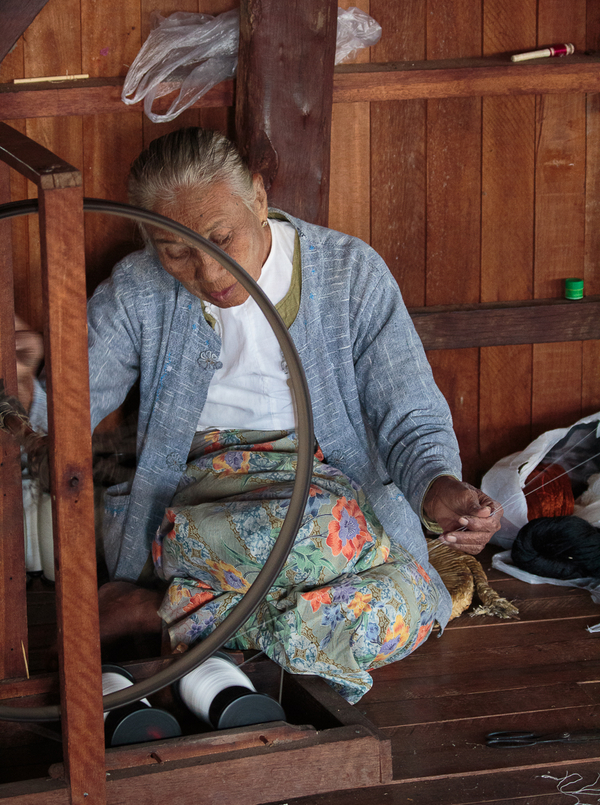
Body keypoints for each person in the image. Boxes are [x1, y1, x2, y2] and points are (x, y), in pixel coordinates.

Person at [21, 127, 501, 702]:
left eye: (223, 238)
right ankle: (247, 607)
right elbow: (65, 411)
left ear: (258, 197)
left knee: (415, 600)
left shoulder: (351, 273)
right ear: (150, 240)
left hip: (330, 488)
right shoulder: (137, 291)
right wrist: (23, 388)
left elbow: (410, 412)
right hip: (207, 494)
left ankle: (161, 612)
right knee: (330, 535)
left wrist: (437, 484)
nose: (209, 273)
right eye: (175, 251)